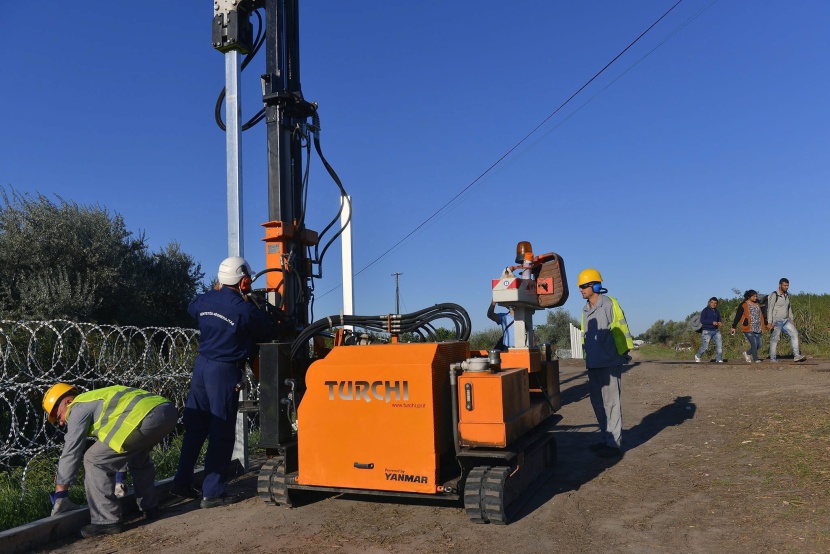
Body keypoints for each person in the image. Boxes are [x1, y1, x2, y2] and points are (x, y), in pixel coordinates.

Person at [172, 256, 277, 509]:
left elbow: (192, 308)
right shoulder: (244, 309)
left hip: (202, 367)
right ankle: (213, 492)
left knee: (195, 427)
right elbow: (269, 330)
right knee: (221, 430)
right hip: (223, 371)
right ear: (244, 282)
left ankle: (181, 482)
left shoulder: (205, 299)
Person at [42, 383, 178, 538]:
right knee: (138, 456)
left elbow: (71, 450)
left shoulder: (78, 407)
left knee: (93, 459)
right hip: (165, 410)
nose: (60, 422)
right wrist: (120, 478)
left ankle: (105, 520)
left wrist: (61, 493)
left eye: (57, 415)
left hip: (145, 416)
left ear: (67, 401)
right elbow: (119, 443)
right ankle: (150, 507)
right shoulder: (98, 397)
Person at [578, 268, 633, 459]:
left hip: (609, 361)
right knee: (597, 403)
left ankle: (614, 444)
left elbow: (620, 328)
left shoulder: (609, 304)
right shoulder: (585, 310)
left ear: (596, 285)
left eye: (584, 286)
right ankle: (605, 438)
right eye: (580, 286)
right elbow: (586, 338)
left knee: (612, 403)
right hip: (593, 363)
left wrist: (624, 352)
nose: (581, 289)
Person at [766, 278, 806, 362]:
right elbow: (770, 309)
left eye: (787, 285)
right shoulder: (774, 295)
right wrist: (769, 322)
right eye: (785, 285)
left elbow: (789, 307)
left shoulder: (786, 295)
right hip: (776, 321)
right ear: (780, 285)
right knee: (775, 339)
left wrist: (791, 318)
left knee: (794, 333)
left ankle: (796, 355)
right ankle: (773, 358)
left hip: (786, 320)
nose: (786, 287)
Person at [730, 289, 767, 363]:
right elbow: (738, 316)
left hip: (758, 327)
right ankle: (756, 359)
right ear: (749, 297)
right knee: (754, 343)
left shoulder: (758, 304)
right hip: (748, 327)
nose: (755, 298)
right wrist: (734, 326)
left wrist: (766, 323)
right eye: (754, 296)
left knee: (759, 345)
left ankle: (747, 353)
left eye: (756, 296)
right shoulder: (743, 305)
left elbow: (762, 314)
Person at [694, 297, 723, 363]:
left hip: (716, 331)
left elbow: (719, 319)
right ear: (709, 303)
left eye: (715, 303)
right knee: (705, 346)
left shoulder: (717, 311)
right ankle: (698, 355)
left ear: (717, 304)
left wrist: (720, 322)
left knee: (719, 345)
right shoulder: (705, 310)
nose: (713, 304)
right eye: (712, 302)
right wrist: (712, 322)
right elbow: (702, 321)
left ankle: (719, 359)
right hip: (707, 331)